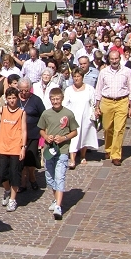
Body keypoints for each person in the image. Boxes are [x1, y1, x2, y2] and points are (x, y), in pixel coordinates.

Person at [38, 88, 79, 220]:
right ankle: (56, 199)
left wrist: (64, 138)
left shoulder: (68, 113)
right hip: (49, 150)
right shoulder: (46, 114)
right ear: (50, 100)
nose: (55, 101)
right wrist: (46, 137)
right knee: (50, 177)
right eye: (53, 99)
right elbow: (41, 130)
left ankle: (58, 206)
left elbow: (74, 132)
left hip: (62, 150)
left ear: (62, 99)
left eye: (58, 99)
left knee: (60, 176)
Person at [0, 87, 27, 212]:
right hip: (3, 146)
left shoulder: (22, 112)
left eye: (14, 98)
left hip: (15, 146)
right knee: (1, 172)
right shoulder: (2, 110)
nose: (12, 101)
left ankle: (13, 199)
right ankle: (7, 190)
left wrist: (23, 147)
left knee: (15, 174)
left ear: (18, 98)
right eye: (9, 98)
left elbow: (24, 130)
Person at [95, 50, 131, 166]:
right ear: (109, 59)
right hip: (107, 101)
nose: (114, 61)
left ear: (120, 58)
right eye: (112, 59)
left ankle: (116, 155)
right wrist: (97, 106)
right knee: (107, 128)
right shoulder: (103, 72)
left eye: (116, 59)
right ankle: (108, 149)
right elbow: (98, 89)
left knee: (119, 129)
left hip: (122, 101)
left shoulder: (127, 71)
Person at [63, 68, 99, 168]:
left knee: (84, 136)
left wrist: (95, 112)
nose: (76, 78)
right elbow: (65, 104)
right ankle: (73, 160)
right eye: (74, 76)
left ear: (82, 77)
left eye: (78, 76)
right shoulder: (69, 90)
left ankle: (83, 155)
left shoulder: (89, 89)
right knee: (74, 138)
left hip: (86, 116)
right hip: (73, 117)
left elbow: (93, 102)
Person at [17, 77, 45, 192]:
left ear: (30, 89)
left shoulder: (36, 100)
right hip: (18, 135)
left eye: (26, 90)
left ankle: (32, 177)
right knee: (21, 159)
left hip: (32, 134)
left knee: (31, 157)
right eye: (21, 90)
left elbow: (43, 115)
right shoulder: (15, 99)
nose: (24, 93)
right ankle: (23, 182)